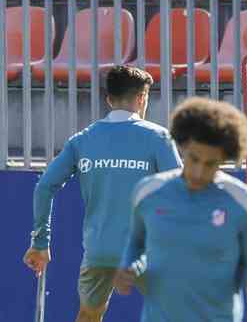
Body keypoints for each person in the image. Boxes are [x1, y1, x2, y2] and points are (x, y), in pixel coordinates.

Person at [22, 65, 182, 322]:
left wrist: (40, 243)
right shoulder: (158, 137)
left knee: (89, 315)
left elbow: (44, 186)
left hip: (99, 251)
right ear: (142, 98)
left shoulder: (83, 139)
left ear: (109, 99)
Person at [113, 97, 247, 322]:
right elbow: (136, 245)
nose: (198, 172)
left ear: (224, 159)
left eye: (210, 164)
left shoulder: (246, 203)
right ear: (182, 147)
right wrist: (128, 268)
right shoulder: (147, 193)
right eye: (193, 158)